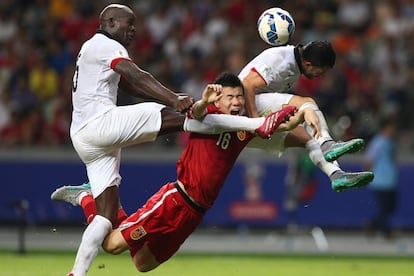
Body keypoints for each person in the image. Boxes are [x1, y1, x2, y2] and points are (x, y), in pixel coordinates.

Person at [63, 4, 295, 276]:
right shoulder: (103, 44)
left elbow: (128, 84)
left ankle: (82, 221)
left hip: (87, 138)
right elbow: (136, 75)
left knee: (109, 225)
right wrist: (174, 98)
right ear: (110, 22)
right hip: (98, 125)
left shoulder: (93, 50)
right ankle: (258, 124)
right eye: (129, 23)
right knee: (169, 114)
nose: (134, 29)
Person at [239, 40, 374, 191]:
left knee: (311, 138)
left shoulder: (297, 64)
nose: (319, 77)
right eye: (320, 72)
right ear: (308, 64)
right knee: (307, 103)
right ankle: (328, 144)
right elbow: (247, 84)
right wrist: (256, 122)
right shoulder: (281, 60)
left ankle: (336, 175)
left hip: (240, 133)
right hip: (241, 111)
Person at [363, 117, 398, 239]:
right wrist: (368, 176)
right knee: (385, 207)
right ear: (386, 128)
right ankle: (384, 231)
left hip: (390, 180)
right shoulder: (378, 142)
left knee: (390, 207)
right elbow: (369, 159)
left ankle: (374, 225)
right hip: (380, 180)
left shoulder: (390, 142)